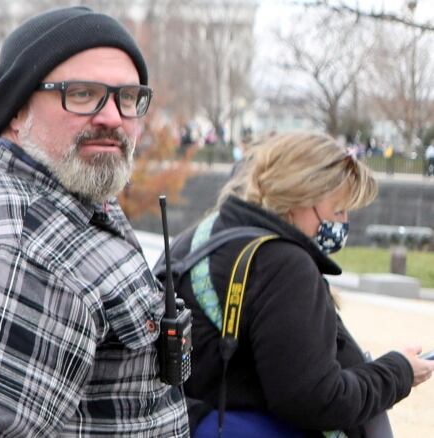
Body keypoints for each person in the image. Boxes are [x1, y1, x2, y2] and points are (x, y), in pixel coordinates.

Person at [0, 6, 189, 436]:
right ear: (17, 109)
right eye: (81, 94)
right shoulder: (19, 255)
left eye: (128, 97)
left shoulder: (64, 198)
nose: (112, 117)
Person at [154, 132, 434, 437]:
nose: (342, 223)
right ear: (300, 195)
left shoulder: (199, 238)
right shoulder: (284, 266)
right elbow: (316, 399)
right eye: (338, 209)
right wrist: (399, 372)